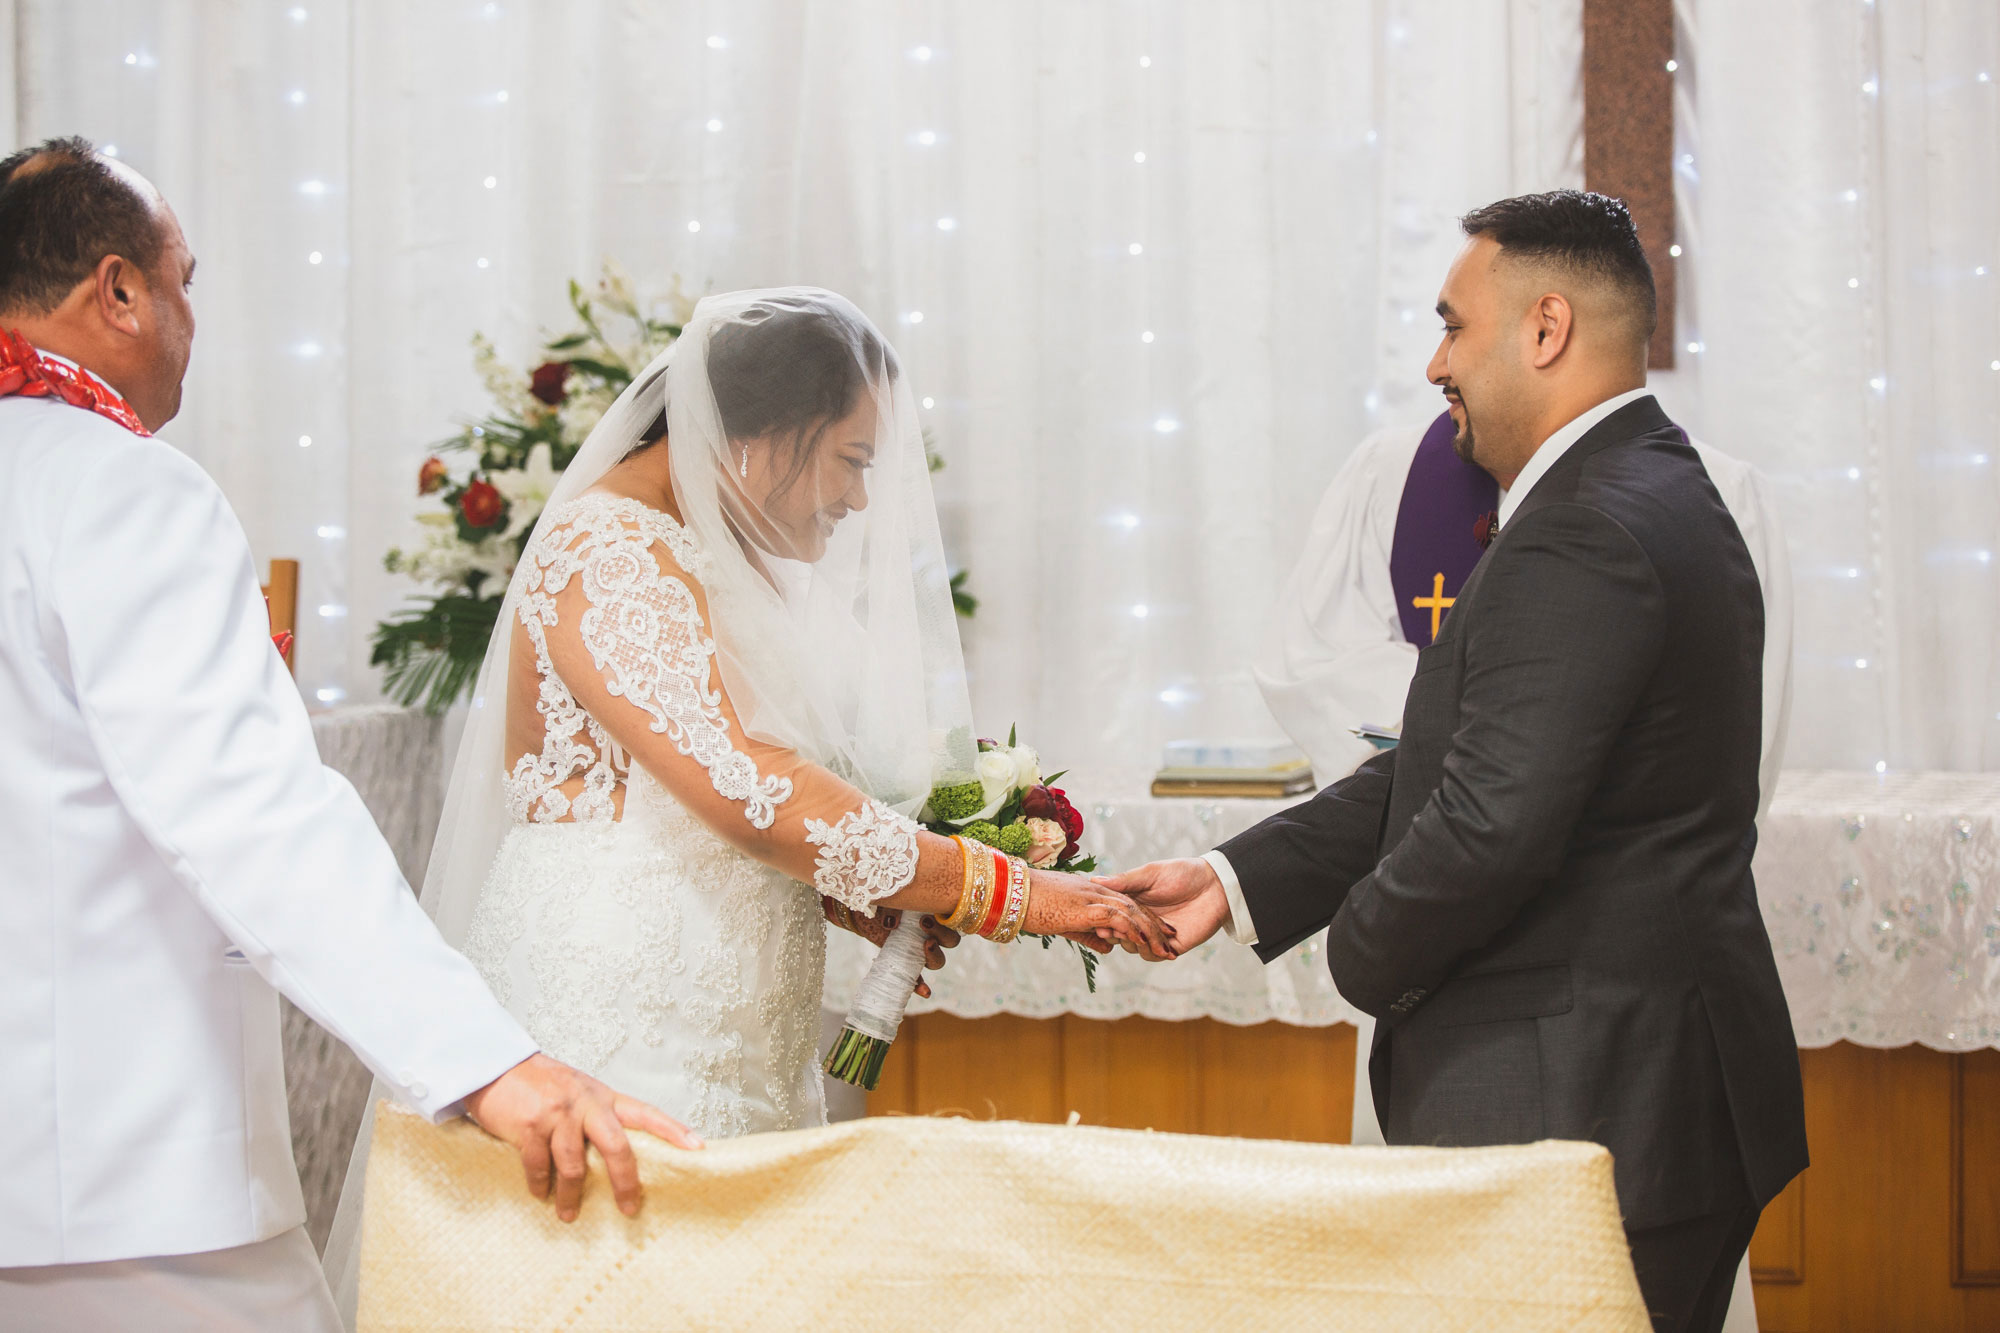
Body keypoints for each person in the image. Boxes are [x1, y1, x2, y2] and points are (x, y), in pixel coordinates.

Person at [322, 286, 1171, 1312]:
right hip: (624, 1025)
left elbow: (680, 795)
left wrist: (837, 891)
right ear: (762, 433)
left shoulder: (698, 552)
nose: (859, 499)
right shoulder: (611, 547)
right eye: (852, 460)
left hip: (731, 1035)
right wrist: (1000, 890)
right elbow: (746, 789)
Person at [0, 136, 699, 1332]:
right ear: (114, 291)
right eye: (183, 279)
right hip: (120, 1179)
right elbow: (249, 811)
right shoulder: (118, 487)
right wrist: (483, 1060)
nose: (188, 314)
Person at [1108, 190, 1807, 1333]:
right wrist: (1237, 881)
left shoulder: (1582, 525)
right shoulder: (1652, 485)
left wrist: (1360, 954)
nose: (1436, 363)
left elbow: (1489, 823)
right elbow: (1463, 758)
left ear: (1543, 329)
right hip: (1633, 1085)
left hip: (1585, 1100)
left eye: (1450, 325)